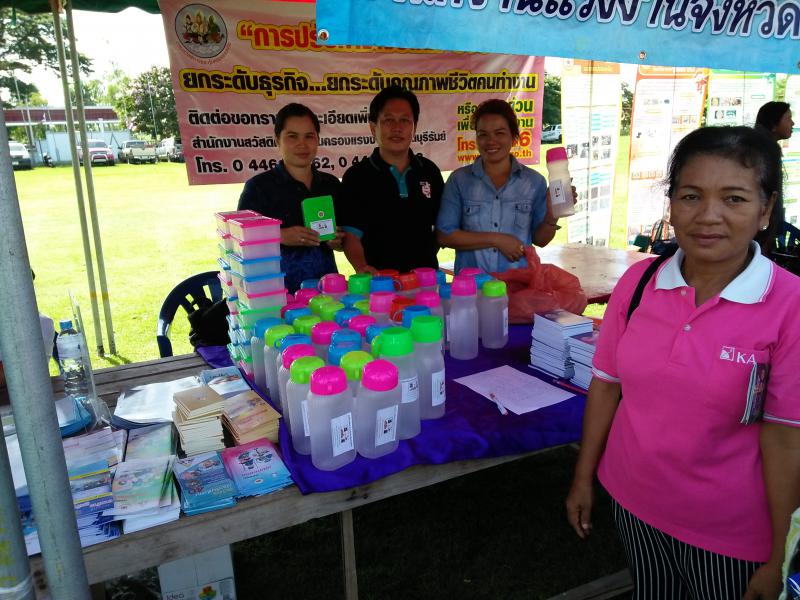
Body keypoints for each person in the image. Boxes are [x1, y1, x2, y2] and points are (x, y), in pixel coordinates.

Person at [565, 126, 800, 600]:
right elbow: (607, 384)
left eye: (734, 198)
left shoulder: (788, 305)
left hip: (731, 534)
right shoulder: (639, 282)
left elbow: (785, 437)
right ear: (671, 204)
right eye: (691, 196)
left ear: (766, 210)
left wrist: (779, 555)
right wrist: (583, 478)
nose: (708, 216)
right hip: (633, 502)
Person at [435, 99, 561, 273]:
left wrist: (552, 217)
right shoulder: (459, 180)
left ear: (514, 136)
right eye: (483, 134)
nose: (491, 141)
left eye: (499, 133)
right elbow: (444, 235)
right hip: (472, 287)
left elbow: (541, 240)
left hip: (518, 286)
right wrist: (497, 240)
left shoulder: (534, 182)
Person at [238, 103, 344, 294]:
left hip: (327, 292)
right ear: (277, 140)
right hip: (277, 294)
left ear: (318, 140)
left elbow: (343, 239)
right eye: (292, 136)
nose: (302, 144)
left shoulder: (330, 184)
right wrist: (281, 235)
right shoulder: (259, 187)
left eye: (309, 136)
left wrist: (338, 241)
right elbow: (240, 241)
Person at [338, 86, 444, 274]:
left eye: (405, 120)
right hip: (378, 283)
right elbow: (351, 235)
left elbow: (441, 228)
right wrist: (362, 268)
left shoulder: (429, 171)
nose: (397, 128)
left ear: (414, 127)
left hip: (426, 283)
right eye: (388, 120)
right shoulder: (356, 177)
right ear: (373, 128)